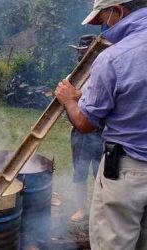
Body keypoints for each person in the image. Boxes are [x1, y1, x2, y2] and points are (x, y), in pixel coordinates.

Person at [55, 0, 147, 249]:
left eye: (102, 19)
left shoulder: (114, 57)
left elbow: (85, 123)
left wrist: (67, 100)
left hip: (128, 173)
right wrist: (79, 98)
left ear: (118, 10)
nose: (102, 27)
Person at [67, 34, 104, 222]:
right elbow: (65, 101)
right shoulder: (73, 77)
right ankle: (81, 209)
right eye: (80, 52)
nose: (81, 56)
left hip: (101, 131)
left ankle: (100, 211)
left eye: (85, 52)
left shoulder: (105, 70)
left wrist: (79, 95)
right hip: (79, 131)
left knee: (101, 173)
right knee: (79, 172)